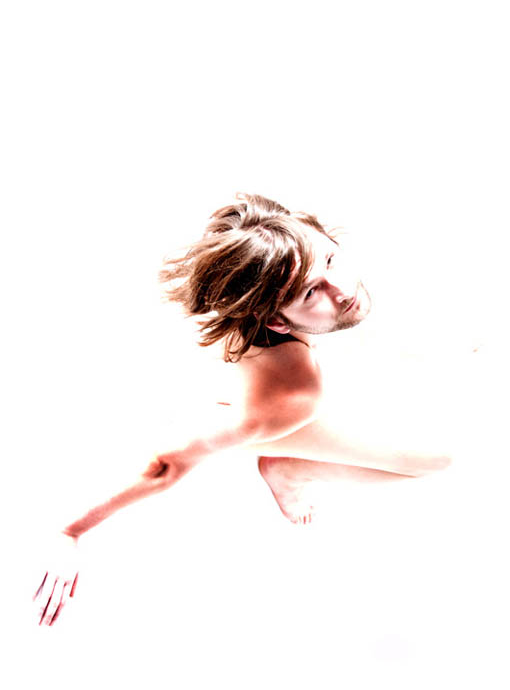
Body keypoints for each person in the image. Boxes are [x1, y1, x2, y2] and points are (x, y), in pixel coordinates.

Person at [33, 192, 455, 627]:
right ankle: (289, 469)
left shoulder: (262, 259)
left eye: (329, 260)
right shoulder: (291, 398)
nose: (343, 289)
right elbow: (164, 464)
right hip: (241, 408)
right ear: (276, 321)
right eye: (311, 292)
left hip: (242, 377)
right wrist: (69, 531)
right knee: (439, 457)